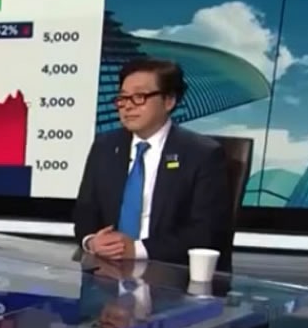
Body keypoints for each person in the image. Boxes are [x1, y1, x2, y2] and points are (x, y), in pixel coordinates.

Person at [73, 58, 233, 269]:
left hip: (170, 272)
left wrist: (137, 250)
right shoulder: (105, 147)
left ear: (169, 101)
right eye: (122, 98)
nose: (127, 106)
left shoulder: (202, 154)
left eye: (139, 97)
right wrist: (92, 241)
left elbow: (206, 232)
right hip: (106, 271)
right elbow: (85, 213)